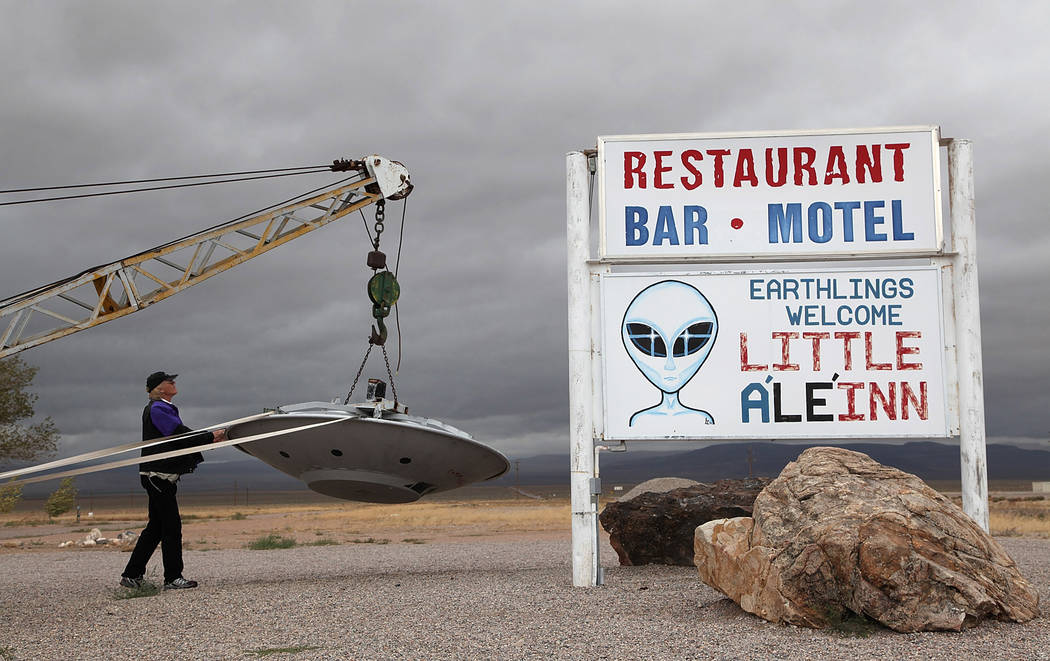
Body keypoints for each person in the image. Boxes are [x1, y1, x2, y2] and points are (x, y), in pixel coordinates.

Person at [120, 371, 225, 590]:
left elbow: (179, 438)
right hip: (157, 476)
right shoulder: (158, 409)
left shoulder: (163, 408)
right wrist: (209, 436)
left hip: (159, 475)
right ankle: (172, 578)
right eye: (169, 381)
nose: (174, 383)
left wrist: (207, 439)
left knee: (156, 528)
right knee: (171, 527)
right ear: (159, 388)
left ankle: (132, 575)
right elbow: (178, 435)